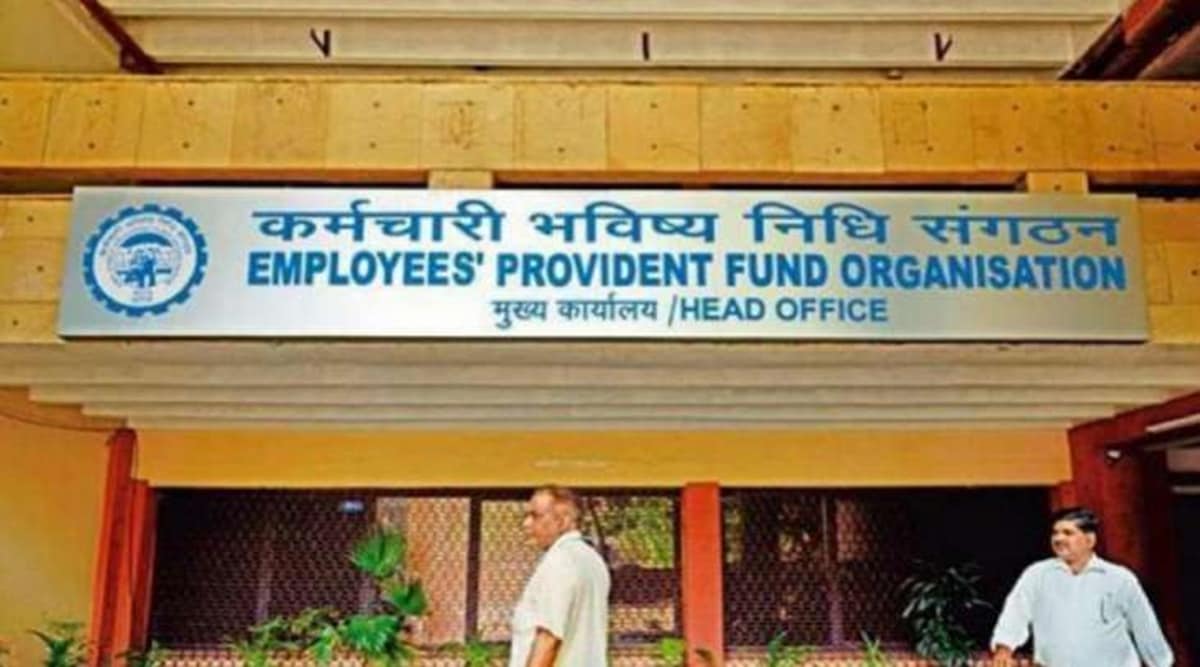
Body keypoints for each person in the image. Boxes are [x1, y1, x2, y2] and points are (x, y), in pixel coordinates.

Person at [991, 506, 1174, 667]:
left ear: (1089, 540)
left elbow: (1145, 626)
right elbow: (1015, 612)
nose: (1059, 538)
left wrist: (1161, 663)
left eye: (1068, 533)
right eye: (1055, 533)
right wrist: (1004, 648)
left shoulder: (1119, 578)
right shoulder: (1037, 575)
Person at [510, 485, 610, 667]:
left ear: (563, 521)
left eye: (536, 516)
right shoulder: (592, 560)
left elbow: (550, 638)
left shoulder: (559, 561)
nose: (527, 523)